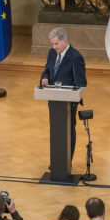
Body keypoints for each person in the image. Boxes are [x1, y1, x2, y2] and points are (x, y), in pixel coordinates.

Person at [40, 27, 87, 160]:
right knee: (56, 130)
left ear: (65, 41)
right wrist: (44, 78)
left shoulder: (76, 57)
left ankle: (66, 162)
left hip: (68, 103)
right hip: (53, 99)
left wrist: (73, 96)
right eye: (52, 43)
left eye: (56, 43)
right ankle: (56, 162)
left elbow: (82, 83)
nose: (54, 47)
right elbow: (47, 69)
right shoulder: (52, 52)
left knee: (68, 131)